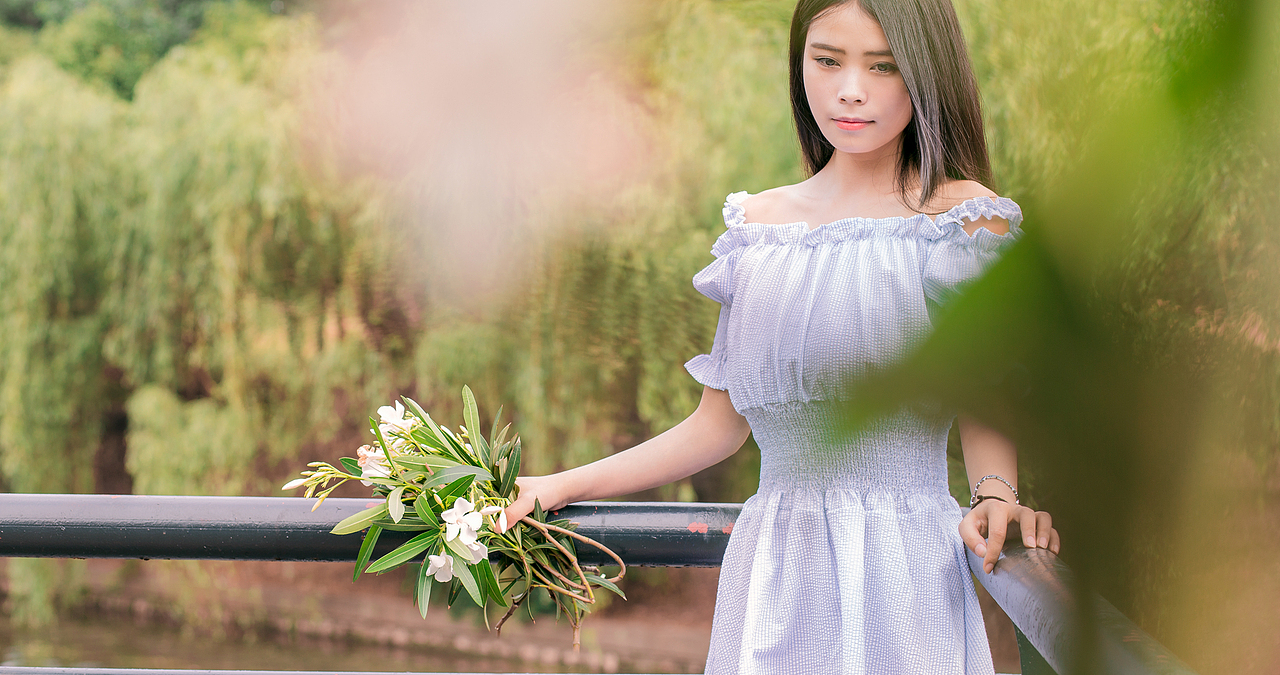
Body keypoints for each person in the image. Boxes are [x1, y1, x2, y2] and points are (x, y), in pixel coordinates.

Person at [503, 0, 1061, 672]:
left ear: (926, 75)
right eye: (827, 60)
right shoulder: (757, 231)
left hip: (906, 561)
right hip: (774, 564)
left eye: (882, 66)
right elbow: (716, 428)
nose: (849, 88)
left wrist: (996, 494)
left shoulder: (960, 219)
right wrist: (558, 485)